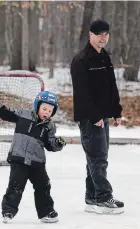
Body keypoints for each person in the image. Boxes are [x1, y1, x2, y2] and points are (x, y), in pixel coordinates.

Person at [0, 90, 66, 223]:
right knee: (15, 186)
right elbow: (6, 113)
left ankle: (46, 212)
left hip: (37, 162)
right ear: (37, 106)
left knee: (43, 186)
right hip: (19, 159)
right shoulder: (23, 115)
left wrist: (58, 144)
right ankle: (8, 211)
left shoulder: (50, 126)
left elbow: (50, 145)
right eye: (44, 109)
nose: (47, 113)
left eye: (50, 111)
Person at [70, 19, 124, 214]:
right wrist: (94, 116)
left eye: (106, 33)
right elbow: (82, 92)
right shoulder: (81, 59)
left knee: (95, 158)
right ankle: (103, 197)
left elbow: (111, 87)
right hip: (90, 118)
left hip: (103, 117)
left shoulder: (104, 57)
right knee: (98, 158)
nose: (103, 36)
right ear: (90, 35)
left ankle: (91, 197)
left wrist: (116, 111)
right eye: (99, 33)